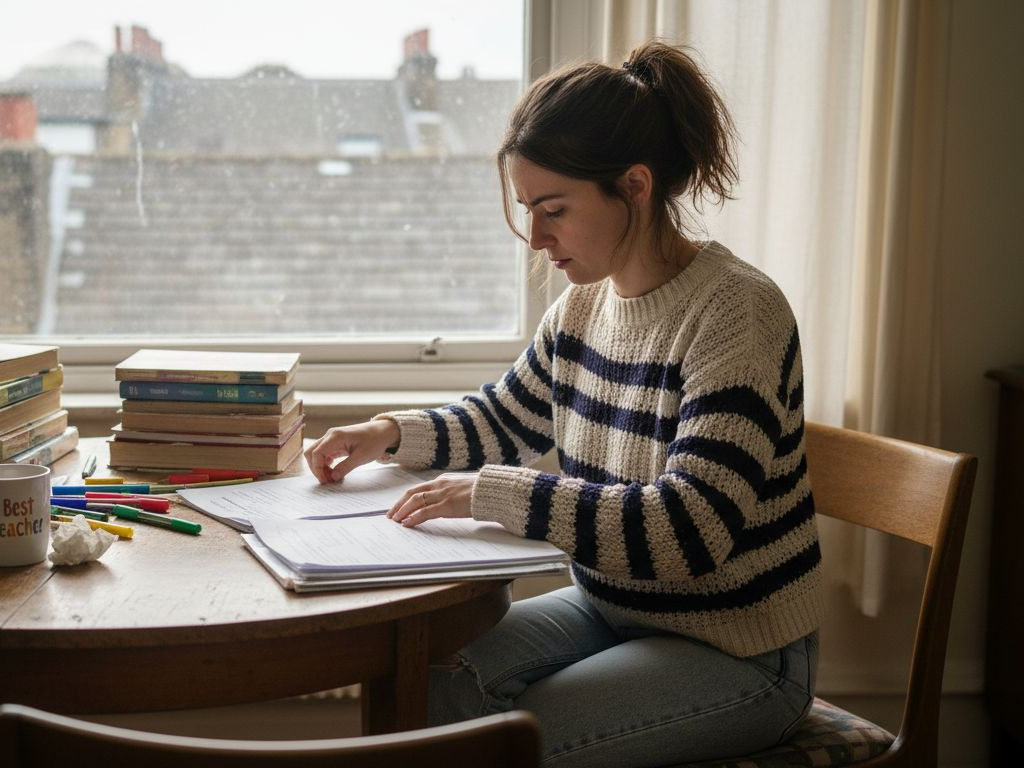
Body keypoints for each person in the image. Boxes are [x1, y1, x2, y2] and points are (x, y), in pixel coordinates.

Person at [304, 40, 821, 767]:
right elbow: (502, 419)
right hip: (613, 610)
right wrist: (387, 434)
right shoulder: (583, 309)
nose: (537, 239)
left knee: (505, 742)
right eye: (528, 210)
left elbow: (690, 531)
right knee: (424, 676)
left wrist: (492, 494)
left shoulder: (737, 313)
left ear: (634, 187)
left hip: (742, 649)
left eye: (554, 210)